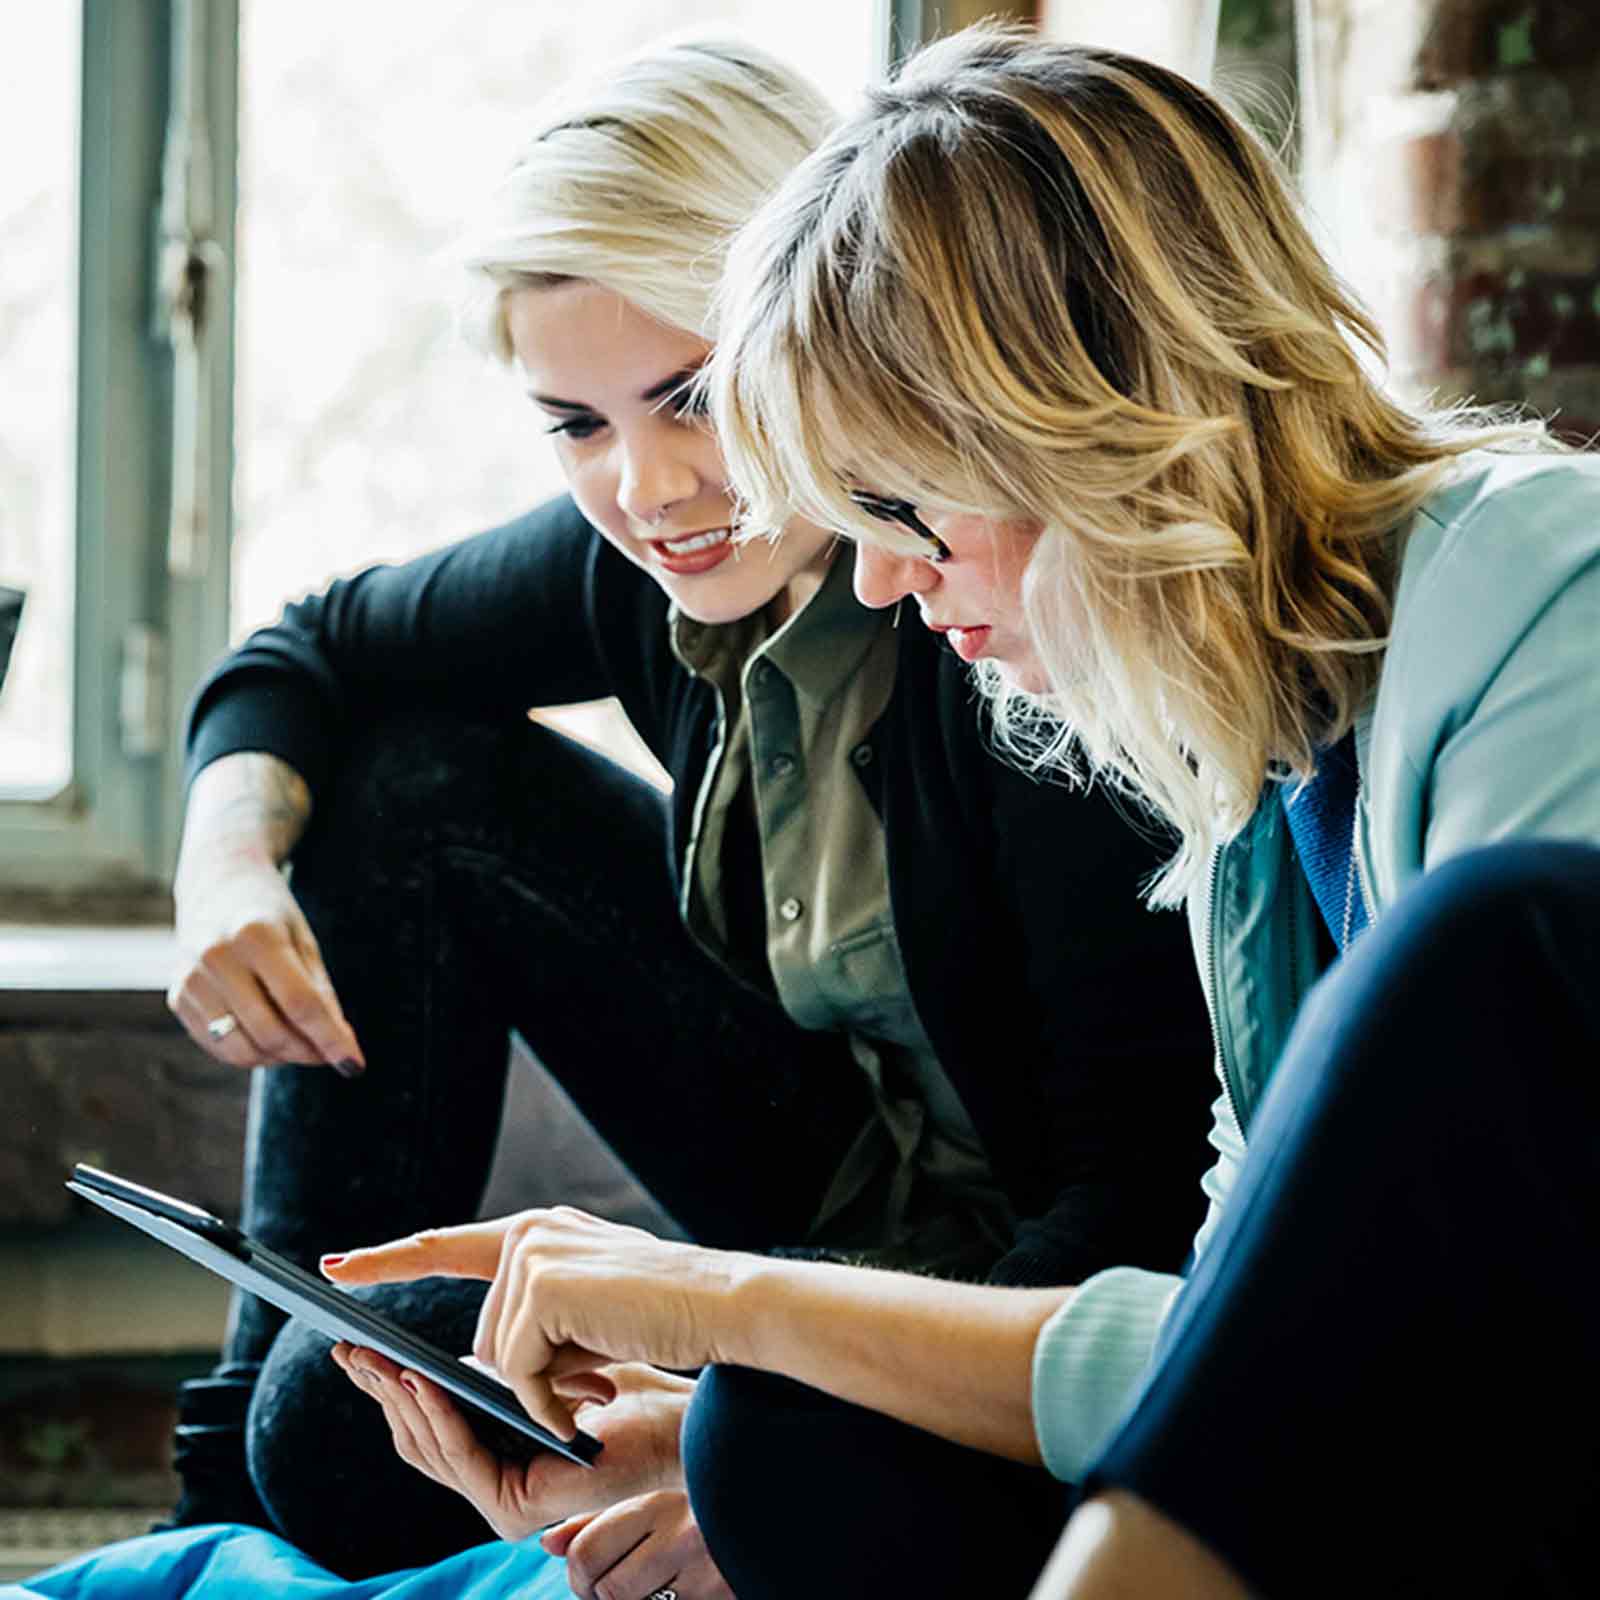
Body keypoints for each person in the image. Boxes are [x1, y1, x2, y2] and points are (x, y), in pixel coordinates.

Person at [325, 24, 1600, 1600]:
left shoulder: (1540, 585)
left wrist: (725, 1299)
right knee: (766, 1442)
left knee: (1474, 940)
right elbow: (1226, 1330)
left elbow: (1415, 1348)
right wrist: (718, 1390)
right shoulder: (1246, 778)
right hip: (1402, 1452)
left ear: (1080, 414)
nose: (878, 579)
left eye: (903, 505)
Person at [164, 32, 1214, 1594]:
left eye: (697, 398)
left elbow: (1135, 1222)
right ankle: (208, 1524)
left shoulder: (1002, 620)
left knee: (347, 1420)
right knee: (406, 794)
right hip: (811, 1186)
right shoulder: (639, 568)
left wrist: (773, 1426)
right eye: (577, 425)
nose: (649, 491)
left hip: (1013, 1301)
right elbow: (315, 648)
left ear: (826, 331)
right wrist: (227, 862)